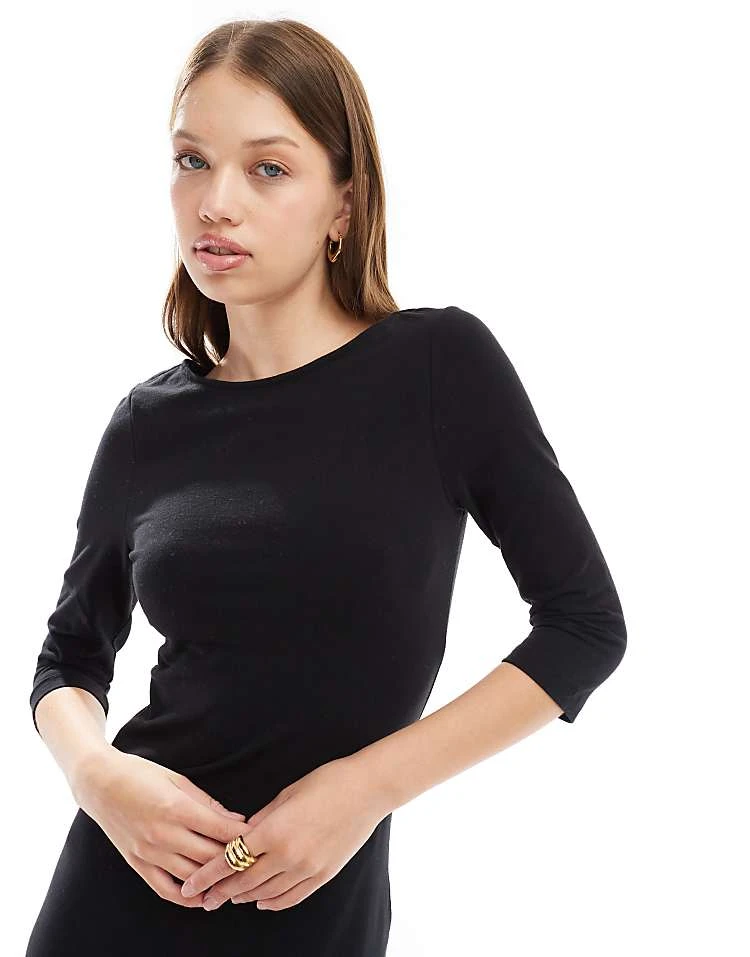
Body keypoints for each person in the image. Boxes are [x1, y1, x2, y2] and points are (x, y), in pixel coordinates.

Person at [25, 17, 627, 957]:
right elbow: (68, 656)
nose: (216, 202)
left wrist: (365, 789)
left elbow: (585, 625)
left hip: (315, 908)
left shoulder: (439, 367)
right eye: (192, 161)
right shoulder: (148, 422)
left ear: (344, 203)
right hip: (116, 894)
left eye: (268, 168)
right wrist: (100, 780)